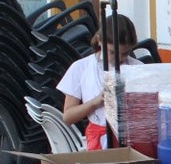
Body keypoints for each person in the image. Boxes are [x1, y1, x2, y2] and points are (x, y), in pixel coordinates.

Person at [59, 13, 141, 150]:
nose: (118, 58)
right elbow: (68, 116)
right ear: (99, 40)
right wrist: (96, 102)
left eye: (125, 53)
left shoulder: (139, 68)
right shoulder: (81, 68)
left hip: (132, 140)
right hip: (99, 139)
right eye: (112, 52)